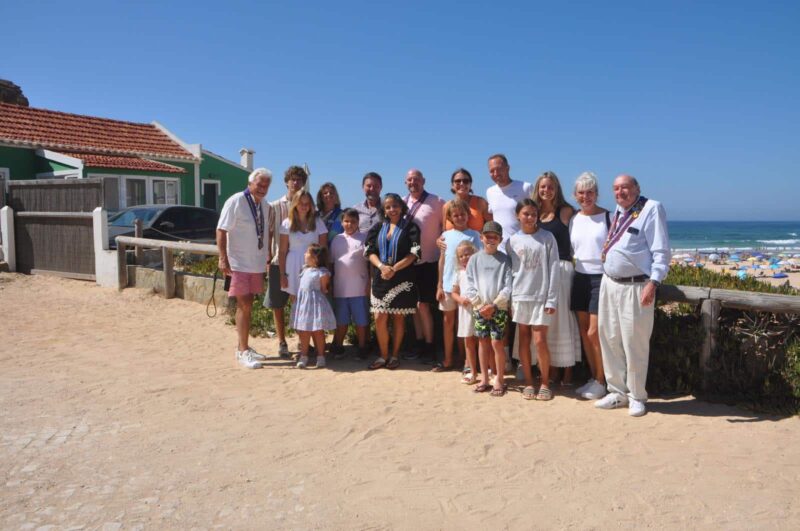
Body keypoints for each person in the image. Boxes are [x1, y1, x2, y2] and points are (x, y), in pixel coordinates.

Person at [595, 175, 670, 417]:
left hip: (637, 286)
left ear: (637, 188)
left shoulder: (651, 208)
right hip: (610, 284)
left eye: (625, 187)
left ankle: (637, 396)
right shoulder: (618, 211)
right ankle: (617, 392)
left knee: (634, 342)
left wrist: (654, 282)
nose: (620, 192)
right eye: (616, 188)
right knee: (609, 337)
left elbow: (661, 251)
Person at [216, 168, 273, 369]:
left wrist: (267, 258)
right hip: (238, 263)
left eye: (266, 186)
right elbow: (221, 230)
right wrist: (223, 258)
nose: (263, 189)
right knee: (244, 304)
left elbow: (266, 233)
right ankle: (242, 350)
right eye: (259, 185)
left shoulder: (265, 206)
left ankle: (244, 346)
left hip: (255, 264)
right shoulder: (236, 200)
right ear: (250, 183)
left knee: (249, 305)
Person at [529, 171, 581, 385]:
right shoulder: (534, 213)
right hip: (540, 272)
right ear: (537, 189)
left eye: (550, 187)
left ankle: (567, 372)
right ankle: (549, 370)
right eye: (543, 187)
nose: (546, 190)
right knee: (545, 321)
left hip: (562, 269)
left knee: (564, 321)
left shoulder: (566, 211)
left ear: (557, 188)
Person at [508, 199, 560, 401]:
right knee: (523, 338)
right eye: (526, 213)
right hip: (520, 295)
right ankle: (529, 382)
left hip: (541, 295)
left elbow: (554, 267)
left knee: (539, 340)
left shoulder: (547, 237)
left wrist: (551, 299)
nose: (529, 217)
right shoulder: (512, 241)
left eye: (533, 214)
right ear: (518, 215)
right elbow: (511, 272)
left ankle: (545, 382)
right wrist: (511, 299)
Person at [364, 193, 421, 370]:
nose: (392, 209)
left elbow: (414, 253)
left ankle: (394, 355)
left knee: (398, 319)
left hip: (402, 278)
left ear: (402, 208)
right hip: (381, 278)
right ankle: (383, 355)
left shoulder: (411, 228)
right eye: (388, 207)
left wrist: (394, 268)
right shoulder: (377, 227)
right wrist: (382, 267)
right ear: (384, 210)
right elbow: (369, 251)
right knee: (379, 317)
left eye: (395, 206)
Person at [569, 172, 610, 400]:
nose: (586, 196)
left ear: (596, 193)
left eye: (590, 191)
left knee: (595, 332)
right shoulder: (574, 218)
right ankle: (594, 378)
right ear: (575, 195)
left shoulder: (608, 217)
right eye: (582, 192)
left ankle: (603, 380)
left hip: (600, 278)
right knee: (584, 332)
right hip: (579, 276)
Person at [464, 221, 512, 397]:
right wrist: (479, 304)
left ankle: (499, 378)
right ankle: (484, 378)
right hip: (480, 308)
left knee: (497, 343)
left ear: (500, 239)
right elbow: (469, 283)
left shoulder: (505, 259)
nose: (491, 239)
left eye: (495, 237)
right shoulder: (474, 259)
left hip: (498, 308)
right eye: (488, 236)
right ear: (481, 237)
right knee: (482, 342)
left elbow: (508, 285)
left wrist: (495, 304)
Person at [434, 198, 481, 372]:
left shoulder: (475, 235)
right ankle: (448, 359)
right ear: (450, 218)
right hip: (448, 285)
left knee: (467, 324)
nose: (460, 217)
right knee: (448, 322)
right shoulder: (445, 236)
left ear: (468, 215)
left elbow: (479, 260)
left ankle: (467, 360)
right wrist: (439, 285)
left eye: (462, 214)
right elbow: (442, 260)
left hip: (468, 287)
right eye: (456, 215)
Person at [403, 169, 445, 362]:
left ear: (424, 181)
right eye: (410, 180)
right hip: (410, 263)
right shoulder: (402, 203)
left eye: (417, 179)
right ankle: (419, 344)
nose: (413, 182)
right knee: (414, 306)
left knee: (425, 306)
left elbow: (447, 227)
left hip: (431, 261)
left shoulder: (437, 201)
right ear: (406, 182)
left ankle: (430, 345)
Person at [266, 165, 308, 357]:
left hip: (301, 263)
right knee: (278, 304)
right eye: (293, 179)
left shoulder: (307, 206)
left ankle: (301, 341)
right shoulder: (275, 206)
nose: (296, 182)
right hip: (277, 261)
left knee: (300, 303)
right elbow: (269, 234)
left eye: (299, 179)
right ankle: (282, 341)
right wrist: (267, 259)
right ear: (286, 182)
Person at [329, 208, 370, 360]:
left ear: (358, 223)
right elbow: (332, 264)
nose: (349, 224)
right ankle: (338, 347)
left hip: (359, 287)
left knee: (361, 321)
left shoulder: (364, 238)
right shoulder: (336, 239)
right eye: (346, 221)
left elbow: (370, 264)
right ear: (342, 222)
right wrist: (331, 284)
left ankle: (362, 347)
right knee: (341, 321)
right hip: (340, 288)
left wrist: (369, 283)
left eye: (353, 222)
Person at [291, 244, 337, 369]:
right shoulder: (304, 270)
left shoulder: (322, 272)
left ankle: (321, 356)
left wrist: (326, 287)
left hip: (315, 305)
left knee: (318, 331)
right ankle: (304, 356)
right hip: (303, 305)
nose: (305, 254)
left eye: (307, 253)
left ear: (315, 258)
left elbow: (324, 289)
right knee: (304, 331)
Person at [279, 191, 328, 299]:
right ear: (295, 203)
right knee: (295, 302)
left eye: (307, 203)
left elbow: (323, 249)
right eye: (301, 203)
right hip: (293, 265)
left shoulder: (318, 222)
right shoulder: (287, 223)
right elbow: (282, 251)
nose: (304, 206)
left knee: (313, 299)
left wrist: (323, 271)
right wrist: (282, 274)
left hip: (313, 266)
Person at [485, 154, 533, 248]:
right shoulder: (490, 192)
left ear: (508, 168)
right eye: (492, 171)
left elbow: (536, 216)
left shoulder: (525, 188)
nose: (495, 173)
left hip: (524, 246)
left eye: (498, 169)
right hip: (500, 249)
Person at [450, 240, 480, 385]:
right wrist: (461, 300)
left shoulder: (480, 270)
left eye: (467, 254)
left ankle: (487, 369)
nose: (464, 258)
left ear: (474, 254)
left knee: (482, 340)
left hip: (479, 309)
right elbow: (454, 293)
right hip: (465, 312)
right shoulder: (459, 273)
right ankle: (472, 370)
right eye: (461, 256)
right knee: (468, 340)